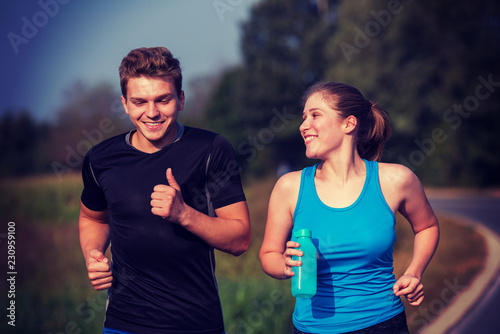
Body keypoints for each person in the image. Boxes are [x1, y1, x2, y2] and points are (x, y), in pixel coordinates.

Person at [79, 47, 251, 334]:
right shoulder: (100, 158)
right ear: (124, 103)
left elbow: (240, 239)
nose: (152, 112)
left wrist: (184, 214)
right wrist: (92, 252)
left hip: (195, 324)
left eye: (163, 99)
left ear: (180, 99)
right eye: (139, 101)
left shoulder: (211, 149)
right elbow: (93, 218)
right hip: (123, 324)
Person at [259, 82, 439, 334]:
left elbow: (427, 227)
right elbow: (268, 255)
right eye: (303, 117)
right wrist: (285, 265)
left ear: (348, 123)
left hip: (382, 324)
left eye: (315, 115)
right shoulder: (289, 187)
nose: (303, 126)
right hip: (310, 329)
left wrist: (414, 272)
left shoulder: (396, 180)